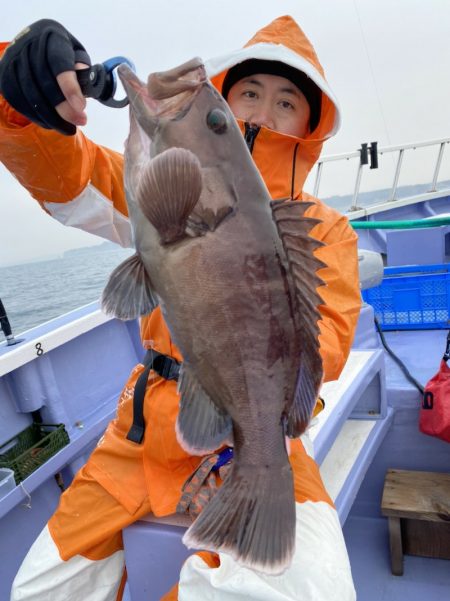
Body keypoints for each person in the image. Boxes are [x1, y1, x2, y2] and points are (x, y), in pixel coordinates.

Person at [0, 15, 361, 601]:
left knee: (307, 590)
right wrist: (21, 95)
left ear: (308, 127)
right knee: (40, 589)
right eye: (247, 93)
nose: (260, 113)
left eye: (286, 101)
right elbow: (73, 180)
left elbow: (325, 343)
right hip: (137, 437)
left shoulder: (326, 232)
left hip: (263, 439)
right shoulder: (161, 187)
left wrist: (239, 412)